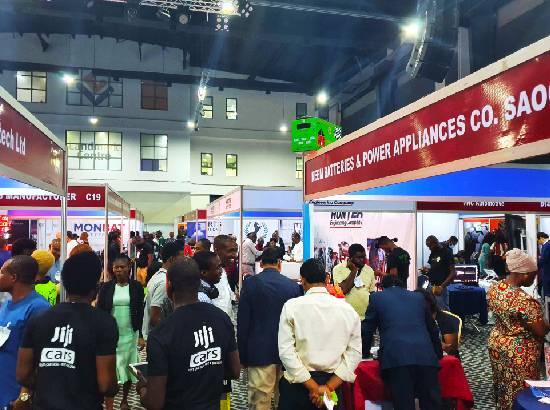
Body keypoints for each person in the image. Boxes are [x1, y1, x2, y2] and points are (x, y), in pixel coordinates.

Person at [17, 251, 119, 410]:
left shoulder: (38, 319)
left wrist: (49, 383)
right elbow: (106, 385)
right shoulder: (104, 323)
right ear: (95, 286)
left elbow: (22, 374)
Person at [137, 257, 241, 410]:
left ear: (168, 286)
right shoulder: (221, 318)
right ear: (199, 284)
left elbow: (154, 403)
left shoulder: (161, 334)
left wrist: (143, 388)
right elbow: (235, 371)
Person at [278, 259, 361, 410]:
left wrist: (313, 387)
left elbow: (286, 352)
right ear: (327, 279)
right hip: (333, 385)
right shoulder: (348, 310)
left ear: (302, 280)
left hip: (297, 387)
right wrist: (327, 387)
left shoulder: (291, 307)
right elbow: (355, 353)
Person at [363, 275, 443, 409]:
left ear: (383, 287)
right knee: (432, 405)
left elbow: (367, 330)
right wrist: (438, 354)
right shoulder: (418, 297)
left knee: (404, 405)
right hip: (426, 358)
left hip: (397, 359)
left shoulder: (377, 298)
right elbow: (432, 328)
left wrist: (365, 354)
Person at [238, 247, 301, 410]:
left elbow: (243, 322)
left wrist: (242, 355)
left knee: (260, 401)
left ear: (261, 264)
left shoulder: (250, 284)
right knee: (285, 399)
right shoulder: (293, 287)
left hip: (258, 352)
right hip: (287, 353)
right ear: (279, 263)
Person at [487, 249, 549, 410]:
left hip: (497, 344)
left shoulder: (496, 288)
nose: (535, 278)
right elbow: (541, 330)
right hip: (519, 353)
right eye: (534, 275)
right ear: (525, 274)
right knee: (521, 392)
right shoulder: (524, 301)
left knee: (503, 387)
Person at [0, 256, 50, 409]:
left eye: (2, 272)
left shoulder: (39, 308)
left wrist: (24, 396)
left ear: (13, 277)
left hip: (16, 397)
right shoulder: (7, 304)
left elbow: (41, 357)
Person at [98, 254, 145, 410]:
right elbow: (100, 310)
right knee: (111, 368)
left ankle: (124, 399)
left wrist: (140, 335)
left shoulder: (137, 287)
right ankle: (109, 403)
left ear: (129, 268)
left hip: (130, 333)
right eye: (115, 267)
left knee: (128, 366)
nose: (118, 270)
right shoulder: (106, 287)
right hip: (111, 334)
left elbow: (140, 312)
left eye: (122, 267)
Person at [142, 240, 185, 341]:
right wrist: (171, 334)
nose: (184, 262)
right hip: (159, 339)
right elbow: (155, 317)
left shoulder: (158, 276)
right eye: (182, 258)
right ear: (172, 259)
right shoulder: (164, 282)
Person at [333, 243, 376, 320]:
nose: (363, 260)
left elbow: (372, 294)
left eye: (364, 257)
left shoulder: (369, 270)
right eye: (359, 257)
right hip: (346, 318)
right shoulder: (338, 269)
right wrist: (354, 271)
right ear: (350, 257)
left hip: (364, 318)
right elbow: (343, 290)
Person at [416, 289, 461, 358]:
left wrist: (437, 344)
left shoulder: (446, 321)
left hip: (442, 359)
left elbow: (451, 351)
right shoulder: (417, 318)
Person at [423, 236, 456, 310]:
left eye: (430, 246)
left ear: (436, 242)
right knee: (432, 310)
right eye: (428, 246)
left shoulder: (447, 252)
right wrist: (427, 270)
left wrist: (442, 287)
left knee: (443, 311)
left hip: (441, 288)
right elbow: (432, 267)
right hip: (431, 286)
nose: (429, 248)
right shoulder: (433, 252)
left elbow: (453, 272)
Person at [538, 232, 550, 301]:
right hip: (545, 273)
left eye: (538, 240)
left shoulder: (547, 246)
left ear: (541, 238)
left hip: (547, 273)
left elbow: (543, 260)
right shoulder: (545, 246)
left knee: (547, 293)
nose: (538, 242)